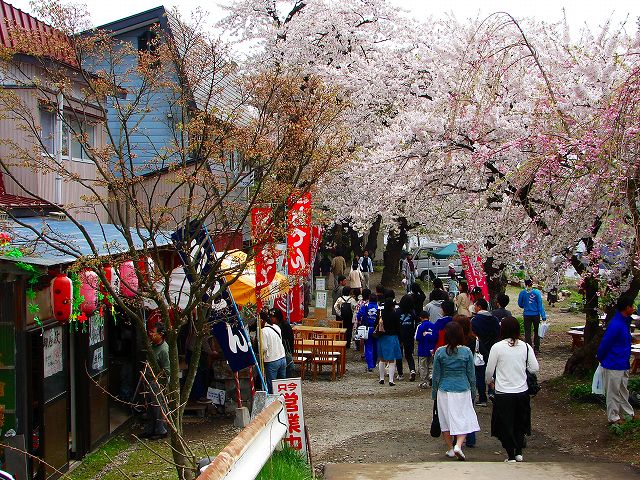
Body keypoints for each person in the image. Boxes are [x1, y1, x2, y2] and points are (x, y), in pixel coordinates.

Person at [485, 316, 539, 462]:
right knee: (519, 422)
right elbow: (534, 368)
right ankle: (519, 452)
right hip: (522, 391)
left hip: (503, 392)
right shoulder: (526, 347)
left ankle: (510, 455)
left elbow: (489, 370)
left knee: (505, 424)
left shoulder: (497, 347)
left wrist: (489, 382)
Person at [432, 322, 480, 461]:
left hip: (444, 389)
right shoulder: (466, 351)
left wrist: (434, 394)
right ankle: (459, 444)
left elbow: (436, 375)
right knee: (464, 417)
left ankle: (450, 449)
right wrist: (473, 391)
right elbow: (471, 374)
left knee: (445, 420)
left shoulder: (440, 352)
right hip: (463, 388)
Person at [596, 295, 636, 424]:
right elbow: (606, 343)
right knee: (613, 391)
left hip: (622, 362)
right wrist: (600, 357)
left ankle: (627, 413)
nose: (634, 308)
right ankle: (613, 417)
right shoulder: (616, 324)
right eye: (632, 306)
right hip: (613, 362)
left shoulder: (623, 322)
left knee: (623, 390)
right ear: (626, 308)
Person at [453, 314, 479, 448]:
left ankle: (456, 438)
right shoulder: (473, 339)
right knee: (469, 408)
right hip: (469, 375)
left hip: (455, 378)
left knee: (455, 410)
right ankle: (471, 438)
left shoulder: (453, 343)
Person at [471, 298, 500, 406]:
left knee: (480, 373)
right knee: (493, 371)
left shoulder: (474, 320)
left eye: (475, 305)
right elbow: (498, 333)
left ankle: (482, 398)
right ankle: (492, 392)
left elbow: (473, 336)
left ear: (479, 307)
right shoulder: (494, 319)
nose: (474, 307)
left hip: (480, 350)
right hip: (493, 348)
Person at [143, 322, 170, 439]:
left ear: (160, 334)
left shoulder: (164, 350)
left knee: (158, 407)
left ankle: (161, 430)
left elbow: (167, 370)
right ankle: (150, 429)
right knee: (150, 407)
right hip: (148, 379)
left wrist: (158, 381)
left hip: (157, 382)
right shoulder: (152, 345)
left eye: (153, 332)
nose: (150, 334)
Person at [375, 297, 402, 385]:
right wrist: (401, 338)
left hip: (382, 337)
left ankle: (381, 378)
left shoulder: (380, 313)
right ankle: (391, 380)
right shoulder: (394, 314)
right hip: (392, 338)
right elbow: (398, 327)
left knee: (382, 359)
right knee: (392, 360)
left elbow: (376, 324)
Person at [260, 311, 287, 393]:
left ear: (262, 320)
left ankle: (273, 400)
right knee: (281, 384)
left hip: (272, 360)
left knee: (272, 385)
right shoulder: (276, 327)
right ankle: (282, 398)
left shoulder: (263, 331)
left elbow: (264, 348)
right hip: (282, 358)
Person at [517, 279, 547, 354]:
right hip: (536, 315)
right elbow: (540, 305)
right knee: (537, 331)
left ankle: (529, 348)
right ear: (532, 284)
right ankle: (536, 348)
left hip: (527, 314)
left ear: (525, 284)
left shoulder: (522, 293)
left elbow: (520, 304)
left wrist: (526, 305)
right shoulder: (537, 292)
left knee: (527, 332)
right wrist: (543, 316)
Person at [396, 294, 417, 381]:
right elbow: (415, 324)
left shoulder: (397, 311)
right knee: (409, 355)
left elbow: (396, 325)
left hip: (399, 336)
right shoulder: (412, 312)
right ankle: (412, 370)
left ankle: (400, 374)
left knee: (399, 355)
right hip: (409, 336)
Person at [270, 309, 294, 377]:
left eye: (273, 317)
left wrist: (290, 352)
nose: (271, 319)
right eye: (270, 317)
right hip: (275, 354)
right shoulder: (270, 326)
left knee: (286, 373)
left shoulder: (285, 325)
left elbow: (290, 339)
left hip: (285, 352)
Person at [415, 310, 436, 388]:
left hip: (422, 349)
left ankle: (424, 382)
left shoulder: (420, 326)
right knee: (431, 365)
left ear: (420, 318)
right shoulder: (433, 325)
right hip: (432, 349)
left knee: (423, 366)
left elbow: (417, 338)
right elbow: (435, 337)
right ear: (428, 317)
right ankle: (431, 376)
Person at [360, 293, 379, 371]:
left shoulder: (365, 307)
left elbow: (358, 315)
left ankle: (370, 365)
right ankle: (374, 363)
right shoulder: (379, 308)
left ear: (369, 299)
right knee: (376, 347)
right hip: (377, 329)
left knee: (368, 347)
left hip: (367, 329)